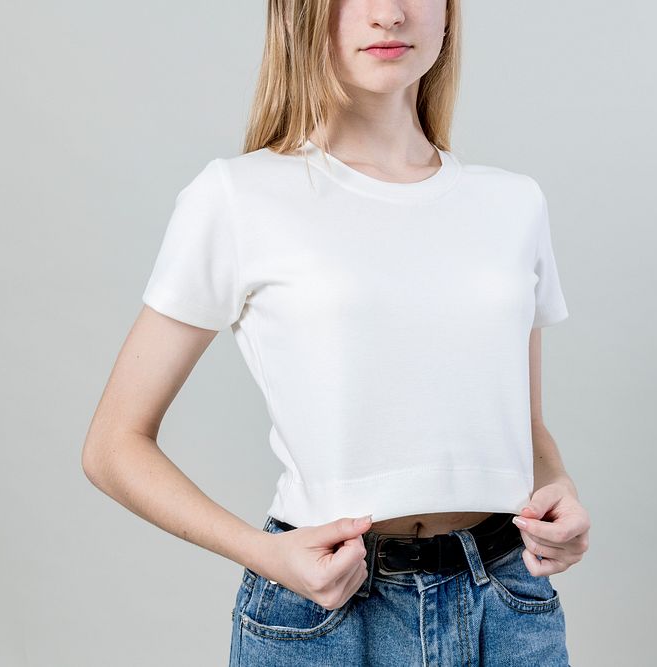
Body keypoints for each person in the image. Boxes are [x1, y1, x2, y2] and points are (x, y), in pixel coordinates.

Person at [82, 0, 590, 664]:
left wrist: (561, 495)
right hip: (327, 612)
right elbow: (112, 445)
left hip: (508, 602)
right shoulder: (239, 197)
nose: (390, 15)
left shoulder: (513, 203)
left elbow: (524, 426)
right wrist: (264, 554)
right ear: (299, 14)